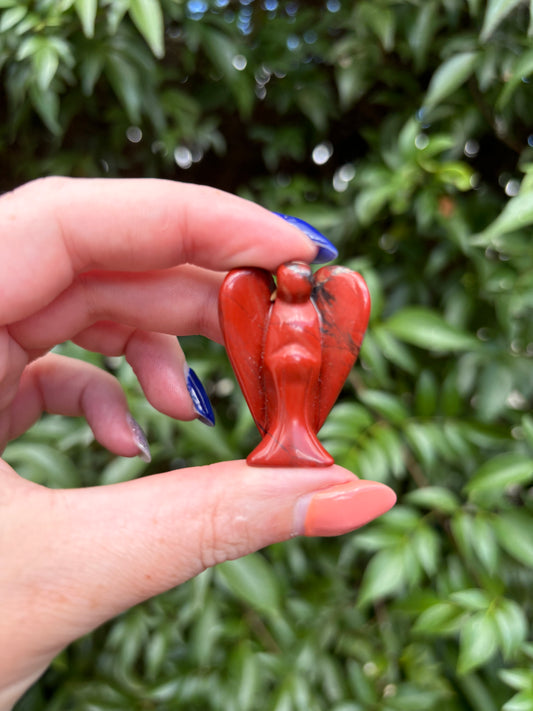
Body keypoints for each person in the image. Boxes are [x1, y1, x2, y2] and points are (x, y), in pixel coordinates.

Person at [0, 177, 396, 710]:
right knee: (282, 392)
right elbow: (269, 344)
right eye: (295, 279)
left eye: (304, 280)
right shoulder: (269, 307)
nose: (299, 285)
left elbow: (325, 350)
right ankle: (283, 433)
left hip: (305, 373)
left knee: (300, 403)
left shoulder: (325, 308)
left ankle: (295, 432)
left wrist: (299, 349)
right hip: (279, 369)